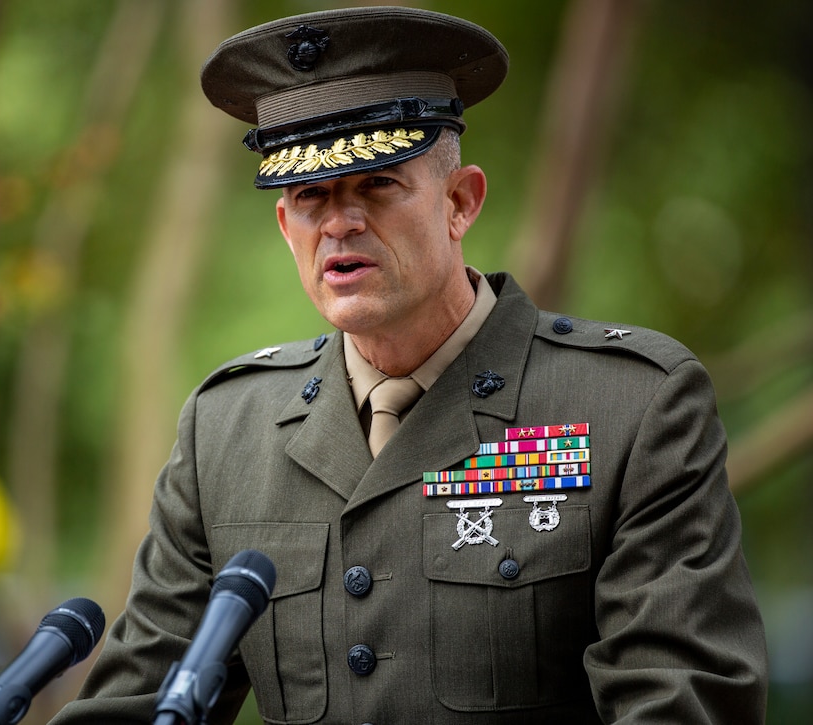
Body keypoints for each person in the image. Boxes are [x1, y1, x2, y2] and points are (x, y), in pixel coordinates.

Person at [49, 6, 768, 724]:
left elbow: (682, 702)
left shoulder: (630, 407)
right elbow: (134, 703)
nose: (340, 223)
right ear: (284, 227)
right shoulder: (226, 432)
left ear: (461, 202)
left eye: (378, 185)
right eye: (310, 197)